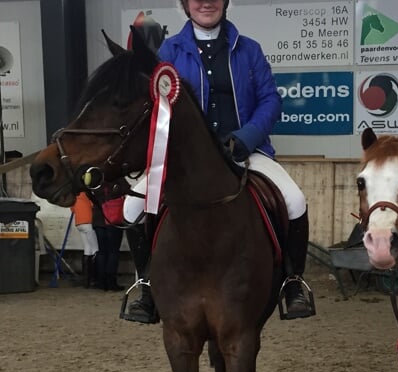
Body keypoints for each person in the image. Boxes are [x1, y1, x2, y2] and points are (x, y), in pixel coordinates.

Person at [127, 0, 314, 323]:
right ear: (185, 5)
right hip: (186, 160)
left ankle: (292, 282)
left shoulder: (249, 49)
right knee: (132, 207)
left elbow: (270, 99)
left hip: (245, 151)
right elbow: (155, 105)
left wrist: (247, 137)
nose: (206, 2)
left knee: (295, 200)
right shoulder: (170, 51)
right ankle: (146, 285)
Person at [71, 192, 99, 288]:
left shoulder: (73, 195)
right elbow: (93, 205)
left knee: (87, 250)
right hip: (88, 222)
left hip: (79, 223)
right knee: (95, 250)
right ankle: (94, 279)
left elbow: (72, 209)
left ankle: (86, 281)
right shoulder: (87, 194)